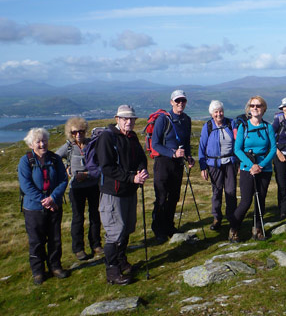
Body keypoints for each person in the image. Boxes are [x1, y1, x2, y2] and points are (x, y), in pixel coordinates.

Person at [97, 105, 149, 285]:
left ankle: (122, 262)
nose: (129, 122)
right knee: (114, 232)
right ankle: (112, 271)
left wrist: (142, 171)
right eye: (125, 119)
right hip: (113, 193)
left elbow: (141, 158)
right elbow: (107, 167)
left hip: (129, 191)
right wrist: (131, 178)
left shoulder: (132, 137)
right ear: (117, 119)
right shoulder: (107, 137)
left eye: (132, 119)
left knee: (126, 228)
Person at [18, 127, 69, 285]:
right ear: (31, 144)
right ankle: (38, 271)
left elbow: (63, 180)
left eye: (44, 140)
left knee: (55, 238)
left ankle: (55, 266)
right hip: (33, 208)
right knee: (36, 241)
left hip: (54, 205)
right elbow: (26, 185)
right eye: (38, 141)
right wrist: (45, 200)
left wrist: (53, 198)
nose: (42, 144)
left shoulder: (55, 159)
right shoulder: (25, 161)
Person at [230, 96, 276, 242]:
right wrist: (252, 166)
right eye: (252, 105)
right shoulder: (244, 127)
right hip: (247, 168)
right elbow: (237, 150)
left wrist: (261, 166)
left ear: (264, 108)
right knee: (245, 201)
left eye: (258, 105)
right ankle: (234, 229)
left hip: (265, 168)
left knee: (260, 199)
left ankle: (258, 229)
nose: (255, 108)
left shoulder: (268, 127)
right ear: (249, 109)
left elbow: (273, 149)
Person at [56, 117, 103, 261]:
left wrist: (87, 174)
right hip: (76, 189)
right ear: (70, 133)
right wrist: (66, 169)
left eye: (81, 131)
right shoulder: (69, 147)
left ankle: (96, 245)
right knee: (78, 218)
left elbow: (102, 163)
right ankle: (78, 249)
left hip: (93, 185)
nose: (78, 134)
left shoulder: (92, 144)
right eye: (74, 132)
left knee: (95, 216)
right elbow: (55, 159)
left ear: (85, 130)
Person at [151, 89, 194, 243]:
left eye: (183, 100)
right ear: (171, 102)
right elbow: (155, 144)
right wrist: (172, 153)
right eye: (177, 101)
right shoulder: (164, 119)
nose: (180, 103)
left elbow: (186, 142)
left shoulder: (186, 120)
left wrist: (189, 157)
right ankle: (158, 229)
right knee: (161, 197)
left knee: (174, 196)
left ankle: (169, 226)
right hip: (163, 163)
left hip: (177, 163)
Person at [198, 100, 237, 231]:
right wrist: (203, 167)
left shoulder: (231, 123)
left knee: (231, 191)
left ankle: (232, 217)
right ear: (211, 114)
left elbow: (238, 140)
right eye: (216, 112)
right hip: (213, 164)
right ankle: (217, 218)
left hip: (230, 163)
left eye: (220, 111)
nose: (219, 114)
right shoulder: (207, 126)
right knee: (217, 192)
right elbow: (202, 147)